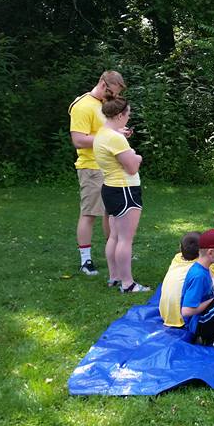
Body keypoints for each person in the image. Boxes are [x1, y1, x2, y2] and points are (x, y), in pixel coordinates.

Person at [68, 70, 127, 276]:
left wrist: (120, 133)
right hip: (91, 168)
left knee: (111, 213)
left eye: (116, 95)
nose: (113, 98)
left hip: (109, 167)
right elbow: (78, 139)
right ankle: (86, 261)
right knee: (89, 213)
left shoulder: (104, 104)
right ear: (102, 84)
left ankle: (116, 252)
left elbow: (107, 131)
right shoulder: (83, 106)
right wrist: (109, 135)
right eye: (111, 93)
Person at [92, 95, 147, 293]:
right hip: (125, 190)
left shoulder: (102, 134)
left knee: (114, 237)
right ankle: (128, 283)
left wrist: (122, 138)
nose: (129, 118)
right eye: (128, 114)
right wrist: (137, 156)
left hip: (110, 188)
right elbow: (132, 167)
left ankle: (114, 277)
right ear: (120, 115)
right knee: (125, 239)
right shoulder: (115, 138)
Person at [159, 232, 202, 327]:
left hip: (164, 313)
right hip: (183, 318)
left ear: (180, 248)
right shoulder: (199, 267)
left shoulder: (177, 258)